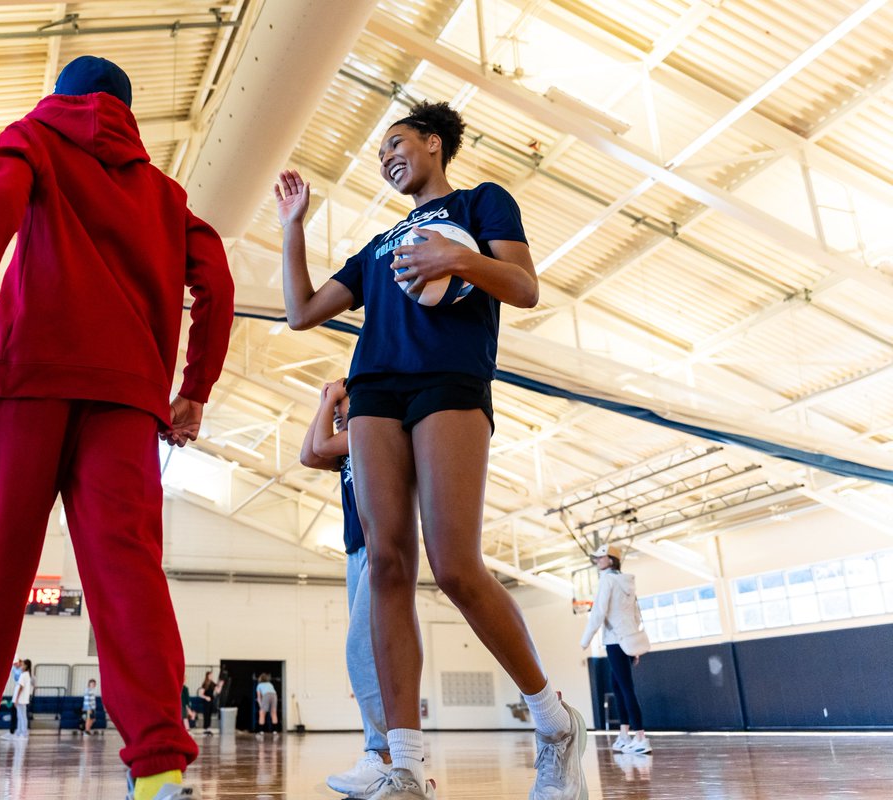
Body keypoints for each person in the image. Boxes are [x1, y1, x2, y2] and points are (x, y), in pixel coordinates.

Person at [0, 54, 234, 800]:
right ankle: (157, 768)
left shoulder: (32, 140)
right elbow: (214, 278)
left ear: (57, 96)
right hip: (126, 401)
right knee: (128, 576)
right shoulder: (163, 193)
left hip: (30, 382)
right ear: (127, 110)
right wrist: (194, 389)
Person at [275, 100, 587, 800]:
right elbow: (300, 311)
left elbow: (526, 287)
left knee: (455, 566)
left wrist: (460, 258)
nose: (387, 158)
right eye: (380, 153)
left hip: (449, 379)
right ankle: (404, 764)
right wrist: (293, 228)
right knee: (386, 563)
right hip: (376, 387)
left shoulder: (483, 203)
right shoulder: (379, 243)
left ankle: (554, 721)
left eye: (398, 144)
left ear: (435, 144)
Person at [300, 378, 393, 797]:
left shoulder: (371, 429)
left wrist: (332, 400)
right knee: (370, 651)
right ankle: (388, 753)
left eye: (344, 403)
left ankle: (383, 753)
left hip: (380, 549)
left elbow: (321, 444)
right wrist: (329, 402)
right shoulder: (349, 443)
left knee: (361, 650)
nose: (338, 410)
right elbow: (309, 454)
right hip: (357, 553)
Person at [580, 544, 651, 755]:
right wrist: (635, 647)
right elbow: (635, 614)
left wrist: (585, 640)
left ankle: (640, 737)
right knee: (618, 686)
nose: (597, 561)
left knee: (626, 688)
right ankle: (623, 735)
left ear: (611, 559)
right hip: (627, 640)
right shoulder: (627, 581)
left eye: (601, 558)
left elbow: (598, 612)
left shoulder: (608, 581)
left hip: (614, 641)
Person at [11, 659, 33, 738]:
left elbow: (21, 688)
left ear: (26, 666)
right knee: (20, 716)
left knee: (22, 716)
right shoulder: (25, 674)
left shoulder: (24, 675)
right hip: (21, 700)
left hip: (21, 700)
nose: (21, 666)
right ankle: (19, 732)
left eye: (22, 665)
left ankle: (23, 733)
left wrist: (16, 699)